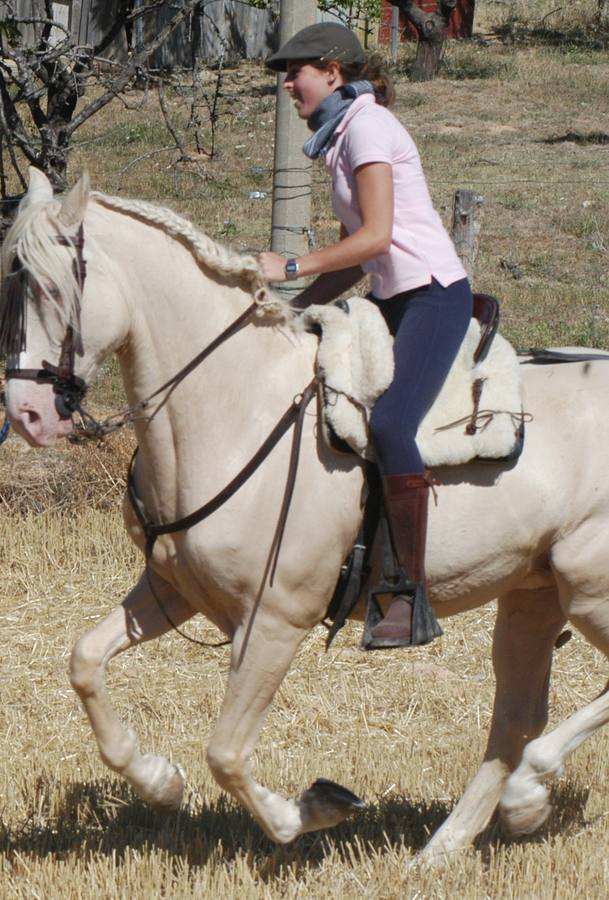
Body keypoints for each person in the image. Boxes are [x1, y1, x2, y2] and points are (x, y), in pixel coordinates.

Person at [256, 22, 472, 650]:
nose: (288, 84)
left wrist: (291, 266)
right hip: (392, 297)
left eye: (295, 71)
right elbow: (358, 261)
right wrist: (291, 309)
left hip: (432, 296)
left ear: (332, 71)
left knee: (392, 426)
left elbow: (375, 238)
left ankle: (408, 593)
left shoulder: (369, 129)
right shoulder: (343, 134)